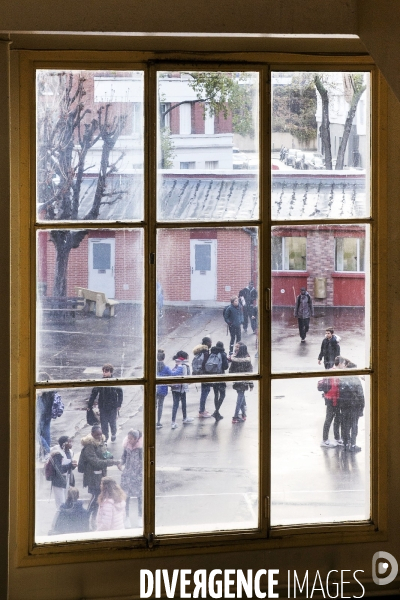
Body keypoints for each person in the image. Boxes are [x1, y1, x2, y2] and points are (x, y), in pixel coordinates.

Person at [78, 425, 120, 524]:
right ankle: (88, 516)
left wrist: (111, 457)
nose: (100, 436)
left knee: (100, 497)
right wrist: (112, 462)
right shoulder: (89, 446)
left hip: (101, 475)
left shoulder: (101, 442)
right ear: (92, 434)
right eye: (97, 435)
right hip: (92, 477)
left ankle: (94, 517)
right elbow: (95, 462)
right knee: (96, 496)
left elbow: (105, 453)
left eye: (101, 434)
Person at [87, 364, 123, 442]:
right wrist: (89, 404)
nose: (104, 373)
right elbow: (94, 393)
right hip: (103, 406)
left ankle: (113, 433)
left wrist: (119, 404)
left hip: (112, 407)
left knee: (112, 422)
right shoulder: (101, 382)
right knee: (104, 424)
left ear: (111, 372)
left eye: (106, 371)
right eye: (103, 371)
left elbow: (120, 393)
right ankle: (105, 438)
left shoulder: (114, 381)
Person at [337, 357, 365, 452]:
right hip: (354, 407)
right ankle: (353, 445)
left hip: (344, 406)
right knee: (354, 425)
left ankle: (345, 444)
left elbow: (339, 393)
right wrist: (361, 409)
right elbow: (361, 395)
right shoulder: (356, 380)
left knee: (345, 425)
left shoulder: (342, 379)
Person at [118, 429, 143, 527]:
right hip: (127, 475)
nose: (129, 440)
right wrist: (120, 463)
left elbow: (144, 460)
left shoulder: (141, 448)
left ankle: (140, 517)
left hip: (138, 475)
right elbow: (123, 457)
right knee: (126, 496)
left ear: (136, 439)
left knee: (139, 496)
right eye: (128, 438)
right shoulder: (126, 446)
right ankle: (127, 517)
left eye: (131, 438)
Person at [48, 435, 77, 509]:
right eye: (69, 442)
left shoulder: (70, 452)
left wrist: (72, 466)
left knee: (67, 500)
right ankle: (60, 519)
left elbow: (69, 467)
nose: (71, 443)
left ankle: (66, 518)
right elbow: (59, 469)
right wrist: (70, 465)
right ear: (64, 444)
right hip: (58, 480)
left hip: (67, 479)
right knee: (60, 503)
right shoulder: (57, 454)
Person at [319, 364, 343, 448]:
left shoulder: (333, 372)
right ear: (340, 364)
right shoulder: (334, 373)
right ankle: (326, 439)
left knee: (335, 418)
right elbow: (334, 388)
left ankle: (334, 438)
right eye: (343, 364)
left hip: (333, 399)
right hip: (332, 399)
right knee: (331, 419)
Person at [229, 342, 254, 423]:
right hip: (244, 382)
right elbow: (249, 373)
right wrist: (251, 384)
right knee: (240, 398)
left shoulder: (234, 360)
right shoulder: (247, 361)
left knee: (241, 397)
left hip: (236, 381)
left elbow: (230, 371)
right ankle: (235, 416)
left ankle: (243, 414)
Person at [170, 351, 194, 429]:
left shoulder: (177, 363)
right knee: (178, 404)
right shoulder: (184, 365)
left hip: (175, 387)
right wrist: (186, 387)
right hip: (181, 388)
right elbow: (185, 377)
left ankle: (178, 419)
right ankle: (176, 421)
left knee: (177, 404)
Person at [192, 336, 213, 418]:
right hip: (205, 374)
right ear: (207, 343)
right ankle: (202, 411)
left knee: (204, 392)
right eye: (210, 342)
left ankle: (202, 409)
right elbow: (206, 364)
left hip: (201, 374)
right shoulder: (205, 353)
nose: (211, 343)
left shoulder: (200, 351)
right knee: (205, 393)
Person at [209, 341, 229, 421]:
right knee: (223, 394)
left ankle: (217, 413)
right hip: (221, 376)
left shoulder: (212, 353)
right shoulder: (223, 354)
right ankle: (216, 411)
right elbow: (225, 367)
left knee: (216, 395)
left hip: (214, 376)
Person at [156, 349, 172, 429]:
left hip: (154, 388)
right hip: (162, 388)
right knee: (160, 405)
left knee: (154, 405)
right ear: (163, 358)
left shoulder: (153, 366)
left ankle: (152, 420)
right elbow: (172, 375)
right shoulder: (166, 368)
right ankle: (158, 422)